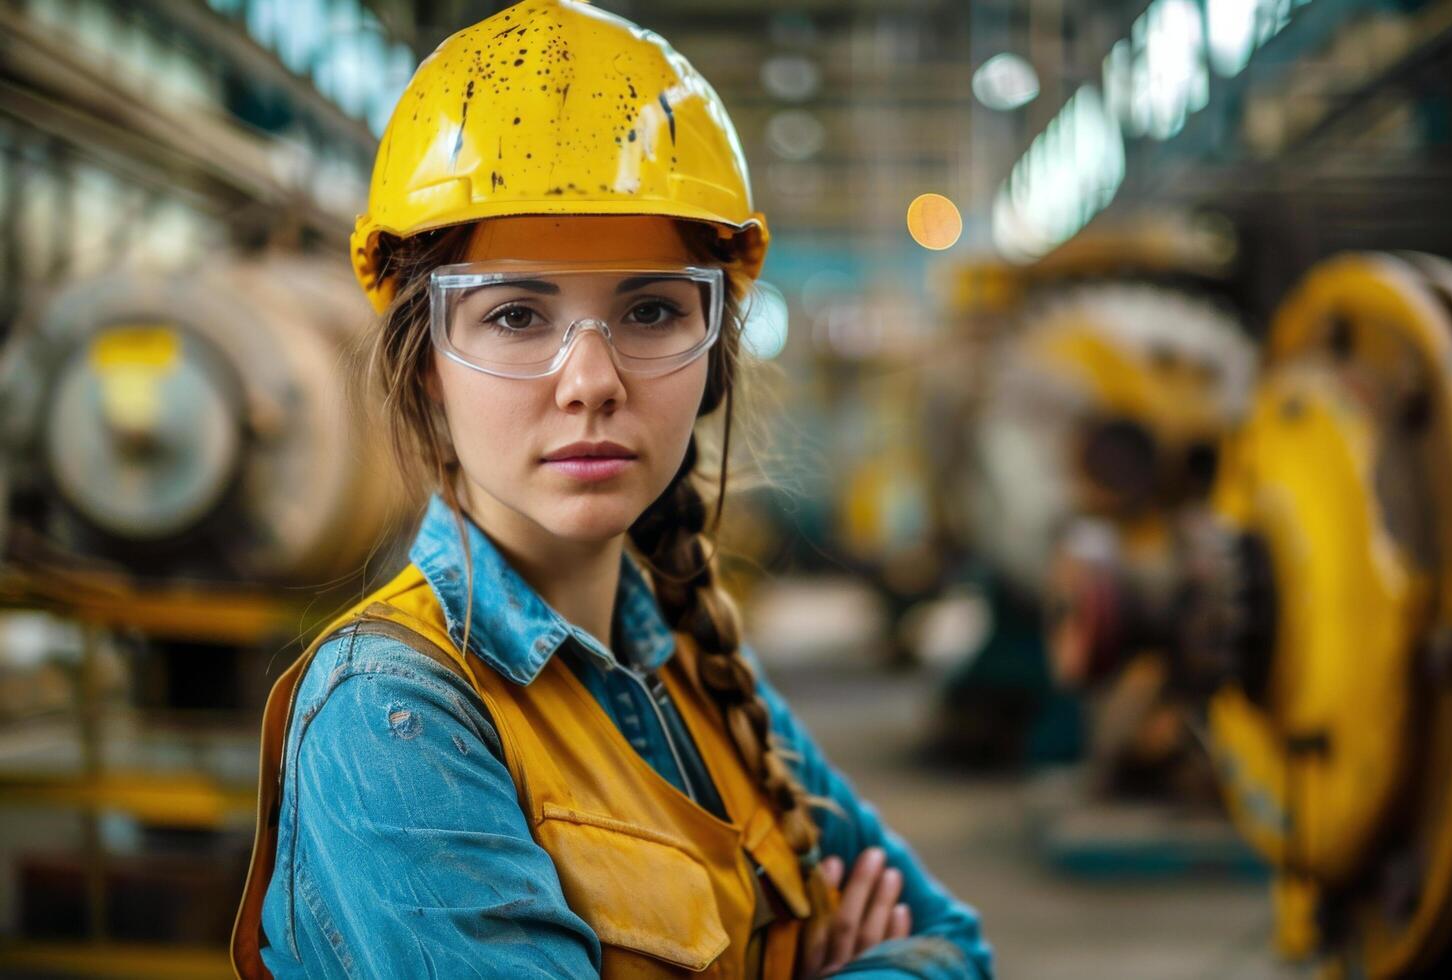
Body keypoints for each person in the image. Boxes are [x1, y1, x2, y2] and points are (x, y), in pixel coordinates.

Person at [232, 1, 991, 977]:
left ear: (713, 354)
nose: (591, 379)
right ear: (429, 362)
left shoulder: (698, 673)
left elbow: (959, 946)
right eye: (515, 315)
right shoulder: (390, 715)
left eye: (649, 308)